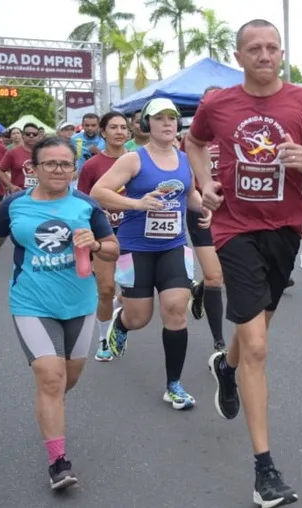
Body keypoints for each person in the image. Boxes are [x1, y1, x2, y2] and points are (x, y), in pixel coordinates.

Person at [185, 19, 302, 507]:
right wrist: (204, 183)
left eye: (272, 47)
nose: (265, 55)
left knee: (256, 333)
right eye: (255, 48)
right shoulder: (217, 103)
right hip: (233, 229)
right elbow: (194, 142)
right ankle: (264, 470)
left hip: (284, 230)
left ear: (282, 53)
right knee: (256, 344)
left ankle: (226, 370)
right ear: (240, 56)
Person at [0, 136, 119, 489]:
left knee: (67, 381)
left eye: (66, 164)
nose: (58, 169)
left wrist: (97, 244)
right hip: (31, 302)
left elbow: (113, 249)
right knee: (51, 377)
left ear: (74, 168)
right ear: (34, 168)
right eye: (50, 163)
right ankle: (58, 462)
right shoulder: (15, 204)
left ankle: (48, 405)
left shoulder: (86, 206)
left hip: (80, 305)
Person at [92, 98, 208, 410]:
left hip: (173, 246)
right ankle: (122, 322)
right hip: (136, 248)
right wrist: (137, 203)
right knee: (139, 317)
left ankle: (174, 385)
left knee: (175, 311)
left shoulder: (186, 159)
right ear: (146, 125)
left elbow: (191, 193)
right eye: (160, 118)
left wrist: (204, 206)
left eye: (172, 118)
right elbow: (98, 192)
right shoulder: (133, 160)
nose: (168, 123)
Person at [76, 111, 129, 362]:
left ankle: (119, 315)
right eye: (114, 127)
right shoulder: (92, 166)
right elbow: (81, 203)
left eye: (123, 127)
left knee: (132, 291)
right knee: (106, 289)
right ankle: (103, 340)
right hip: (105, 236)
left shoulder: (136, 161)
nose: (119, 132)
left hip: (133, 235)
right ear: (103, 132)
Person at [179, 86, 228, 353]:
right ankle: (219, 342)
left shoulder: (238, 134)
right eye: (208, 102)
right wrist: (201, 201)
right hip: (201, 209)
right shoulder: (192, 139)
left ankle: (199, 292)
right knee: (214, 276)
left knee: (230, 274)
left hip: (234, 215)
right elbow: (186, 179)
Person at [0, 123, 41, 193]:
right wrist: (11, 186)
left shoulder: (44, 153)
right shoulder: (12, 152)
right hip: (19, 194)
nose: (31, 136)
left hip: (40, 194)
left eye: (34, 134)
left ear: (38, 136)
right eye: (28, 134)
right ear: (23, 136)